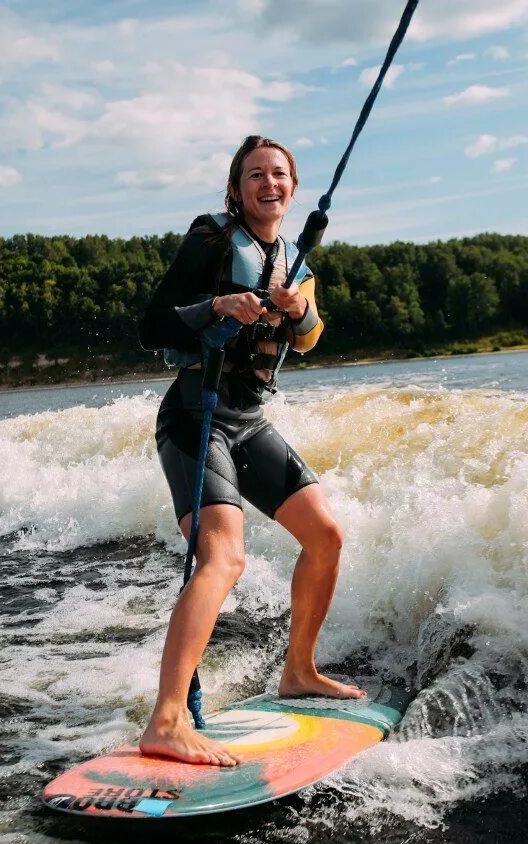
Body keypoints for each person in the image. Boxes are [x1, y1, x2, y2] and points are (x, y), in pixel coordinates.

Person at [137, 135, 365, 767]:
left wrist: (295, 312)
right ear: (236, 189)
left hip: (249, 420)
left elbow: (313, 337)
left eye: (280, 174)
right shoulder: (211, 240)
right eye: (255, 175)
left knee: (326, 535)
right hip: (195, 415)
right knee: (224, 558)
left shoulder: (299, 260)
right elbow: (151, 324)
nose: (269, 183)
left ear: (292, 187)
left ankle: (299, 671)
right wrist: (218, 304)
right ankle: (167, 720)